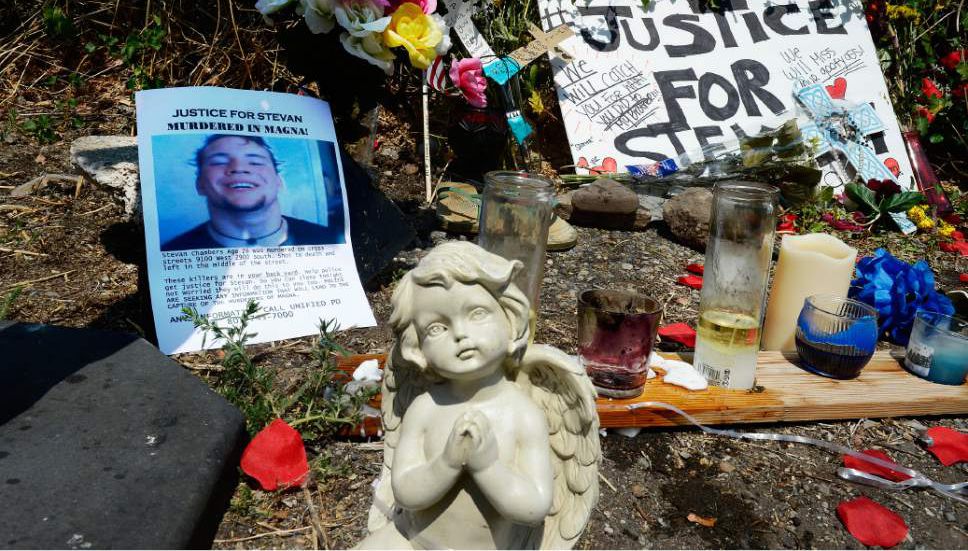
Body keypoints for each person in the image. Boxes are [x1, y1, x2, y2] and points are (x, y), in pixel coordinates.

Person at [161, 134, 344, 250]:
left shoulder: (332, 240)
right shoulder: (172, 250)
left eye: (256, 161)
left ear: (279, 182)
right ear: (199, 184)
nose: (239, 168)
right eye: (219, 161)